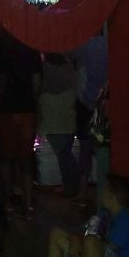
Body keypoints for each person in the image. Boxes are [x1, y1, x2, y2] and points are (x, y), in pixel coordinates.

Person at [0, 32, 41, 216]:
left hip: (7, 110)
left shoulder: (2, 47)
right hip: (27, 109)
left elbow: (0, 81)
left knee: (6, 158)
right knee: (26, 160)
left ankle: (7, 202)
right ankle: (27, 204)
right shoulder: (32, 47)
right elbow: (36, 81)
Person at [37, 51, 81, 198]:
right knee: (65, 152)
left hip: (50, 113)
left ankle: (72, 185)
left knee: (63, 154)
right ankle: (72, 185)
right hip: (67, 112)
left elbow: (39, 86)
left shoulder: (44, 67)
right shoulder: (68, 65)